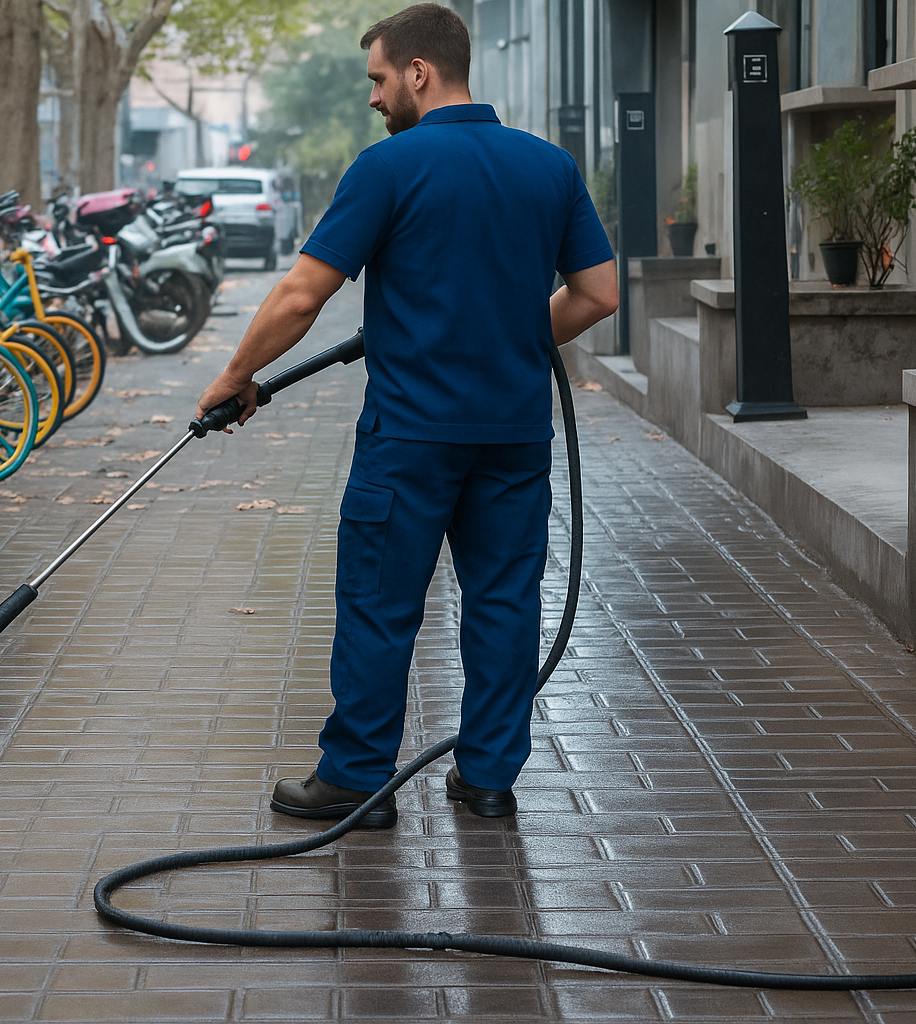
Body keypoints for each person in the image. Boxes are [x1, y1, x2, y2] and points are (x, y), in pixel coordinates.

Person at [195, 3, 618, 828]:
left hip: (412, 437)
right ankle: (489, 780)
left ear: (420, 73)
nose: (374, 98)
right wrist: (519, 338)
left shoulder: (388, 168)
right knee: (502, 601)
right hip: (514, 434)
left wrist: (236, 375)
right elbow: (599, 293)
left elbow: (302, 293)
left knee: (382, 604)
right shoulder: (549, 167)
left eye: (380, 79)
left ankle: (355, 779)